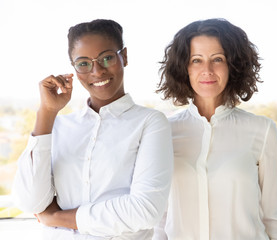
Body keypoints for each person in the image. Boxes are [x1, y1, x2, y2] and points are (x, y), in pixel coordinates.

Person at [12, 19, 173, 240]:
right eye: (84, 63)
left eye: (107, 58)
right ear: (74, 69)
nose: (97, 71)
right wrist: (47, 113)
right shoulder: (59, 126)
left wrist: (57, 217)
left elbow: (144, 211)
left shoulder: (150, 122)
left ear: (124, 56)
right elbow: (31, 202)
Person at [155, 18, 277, 239]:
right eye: (196, 60)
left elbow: (273, 218)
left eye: (217, 59)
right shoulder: (164, 132)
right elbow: (160, 218)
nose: (207, 70)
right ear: (183, 67)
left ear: (233, 65)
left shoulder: (262, 130)